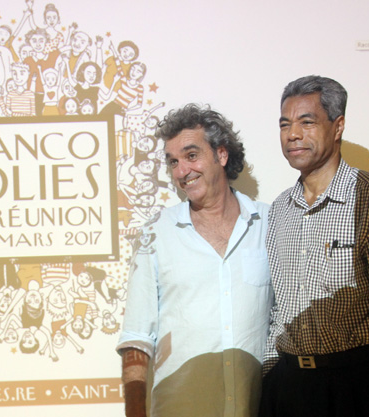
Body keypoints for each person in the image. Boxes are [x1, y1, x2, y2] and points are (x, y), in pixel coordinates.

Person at [117, 104, 273, 417]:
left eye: (191, 155)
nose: (181, 172)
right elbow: (137, 337)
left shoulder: (269, 223)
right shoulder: (156, 233)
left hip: (257, 405)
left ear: (222, 155)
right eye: (173, 162)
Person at [259, 75, 369, 417]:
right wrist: (270, 375)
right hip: (288, 384)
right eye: (285, 124)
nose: (292, 134)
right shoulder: (280, 208)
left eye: (307, 122)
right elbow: (278, 308)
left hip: (357, 383)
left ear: (337, 126)